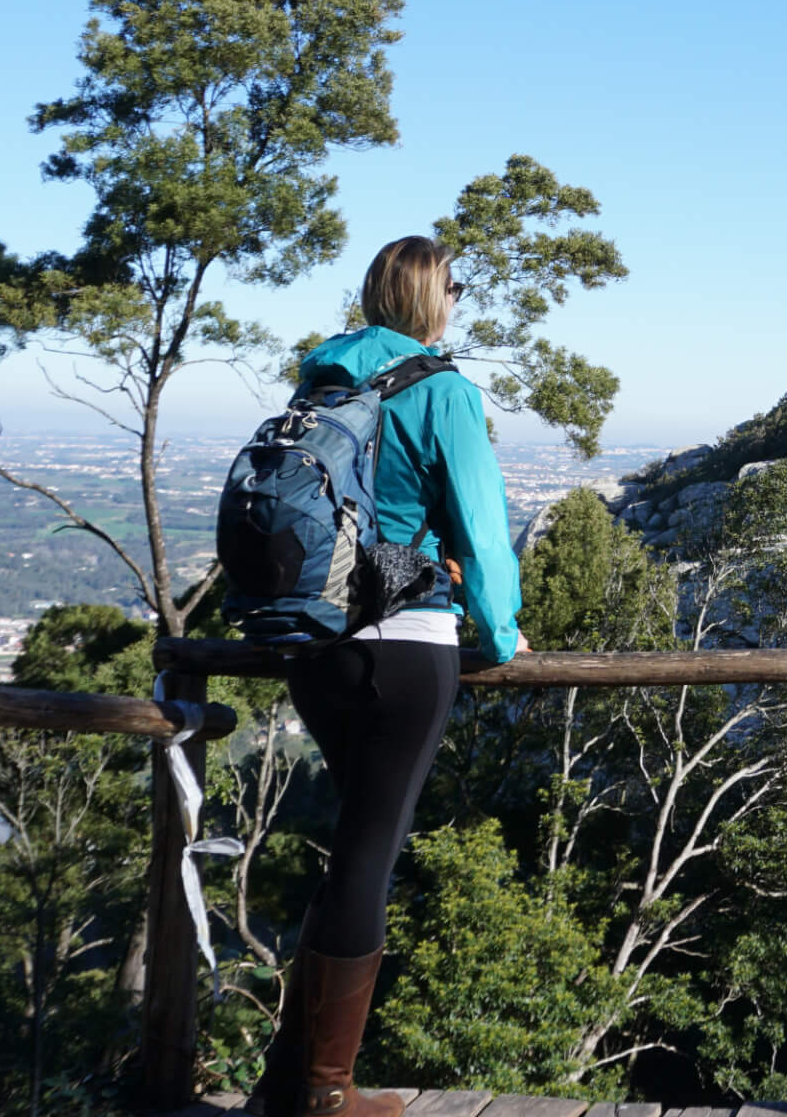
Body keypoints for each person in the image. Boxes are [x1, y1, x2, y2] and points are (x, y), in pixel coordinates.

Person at [255, 235, 526, 1117]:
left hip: (315, 645)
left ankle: (286, 1079)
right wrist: (502, 633)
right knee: (371, 852)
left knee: (354, 848)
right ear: (430, 297)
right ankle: (326, 1094)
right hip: (404, 644)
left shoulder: (322, 384)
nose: (457, 298)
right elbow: (484, 535)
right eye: (453, 286)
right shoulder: (443, 391)